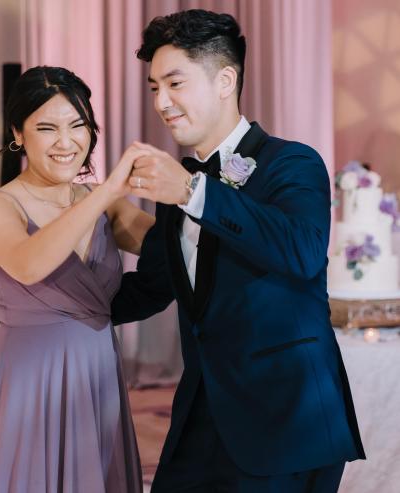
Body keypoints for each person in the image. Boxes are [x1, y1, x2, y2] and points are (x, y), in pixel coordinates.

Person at [112, 9, 365, 492]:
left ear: (225, 80)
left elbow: (302, 251)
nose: (161, 102)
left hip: (285, 424)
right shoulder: (179, 184)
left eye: (174, 84)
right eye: (154, 88)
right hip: (198, 421)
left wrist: (193, 192)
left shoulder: (292, 162)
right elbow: (152, 288)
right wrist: (53, 308)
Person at [0, 65, 154, 492]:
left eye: (77, 125)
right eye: (47, 128)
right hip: (29, 379)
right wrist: (106, 193)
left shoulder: (101, 202)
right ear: (18, 134)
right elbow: (29, 264)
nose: (66, 142)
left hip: (97, 371)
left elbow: (173, 248)